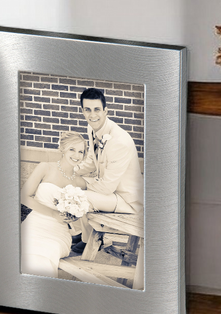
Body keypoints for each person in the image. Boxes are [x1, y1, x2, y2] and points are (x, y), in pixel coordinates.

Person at [74, 87, 142, 246]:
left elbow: (107, 187)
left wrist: (81, 183)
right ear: (83, 111)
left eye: (97, 109)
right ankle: (85, 234)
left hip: (126, 199)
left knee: (79, 196)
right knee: (70, 185)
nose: (92, 115)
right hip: (111, 191)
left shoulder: (119, 142)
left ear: (106, 110)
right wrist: (71, 173)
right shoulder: (92, 128)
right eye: (88, 110)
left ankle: (92, 241)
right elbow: (92, 160)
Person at [20, 131, 89, 277]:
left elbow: (81, 214)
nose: (76, 155)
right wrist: (53, 213)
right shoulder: (45, 167)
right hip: (34, 226)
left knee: (48, 250)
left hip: (58, 234)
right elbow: (24, 196)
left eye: (81, 151)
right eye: (72, 149)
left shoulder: (80, 182)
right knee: (25, 248)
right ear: (62, 148)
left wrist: (73, 216)